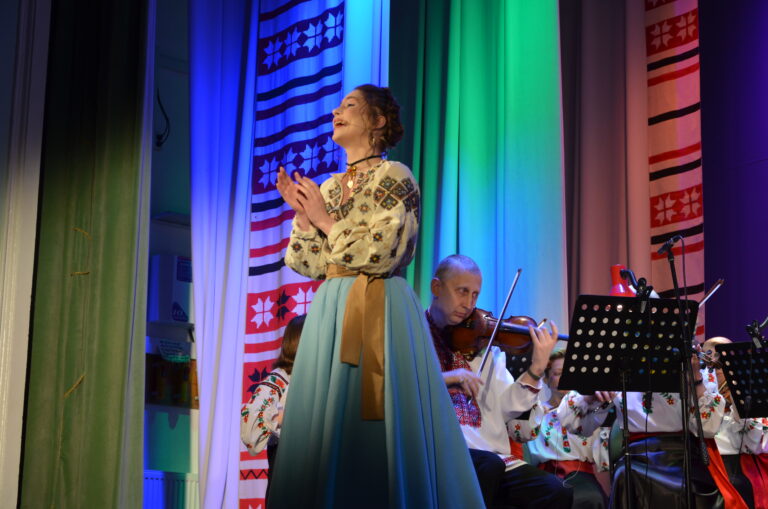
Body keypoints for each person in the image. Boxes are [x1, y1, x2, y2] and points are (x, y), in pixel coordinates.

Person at [268, 85, 484, 508]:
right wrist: (303, 216)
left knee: (379, 421)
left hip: (378, 305)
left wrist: (324, 220)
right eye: (338, 106)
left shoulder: (395, 176)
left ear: (378, 121)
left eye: (350, 105)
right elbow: (310, 263)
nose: (337, 111)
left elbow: (383, 251)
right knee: (328, 420)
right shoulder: (330, 187)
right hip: (333, 308)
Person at [426, 254, 573, 508]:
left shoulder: (486, 346)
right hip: (440, 453)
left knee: (556, 491)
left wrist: (537, 368)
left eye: (475, 295)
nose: (469, 304)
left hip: (493, 456)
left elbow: (507, 408)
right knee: (488, 466)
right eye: (462, 292)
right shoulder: (416, 334)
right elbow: (403, 385)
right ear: (436, 287)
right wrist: (450, 377)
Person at [557, 342, 733, 508]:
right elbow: (574, 424)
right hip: (636, 457)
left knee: (696, 486)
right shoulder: (618, 362)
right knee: (627, 475)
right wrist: (590, 396)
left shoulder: (690, 360)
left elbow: (708, 428)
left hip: (684, 456)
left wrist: (695, 379)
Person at [527, 350, 611, 509]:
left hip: (582, 478)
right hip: (544, 478)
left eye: (571, 373)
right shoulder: (534, 411)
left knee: (592, 498)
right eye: (558, 373)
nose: (565, 378)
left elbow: (603, 463)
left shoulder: (593, 410)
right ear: (546, 379)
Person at [240, 314, 306, 506]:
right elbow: (250, 429)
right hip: (288, 476)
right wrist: (284, 417)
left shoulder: (316, 379)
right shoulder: (280, 380)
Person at [707, 336, 763, 509]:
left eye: (722, 359)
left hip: (736, 467)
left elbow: (755, 443)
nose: (716, 365)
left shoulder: (748, 392)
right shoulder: (696, 392)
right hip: (705, 465)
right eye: (709, 356)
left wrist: (736, 396)